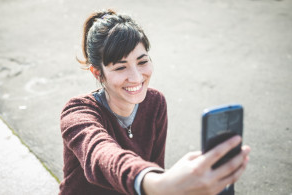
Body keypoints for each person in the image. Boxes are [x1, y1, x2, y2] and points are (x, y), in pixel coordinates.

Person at [59, 9, 250, 195]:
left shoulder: (155, 102)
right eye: (120, 67)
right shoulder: (77, 112)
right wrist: (157, 183)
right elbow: (100, 155)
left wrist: (165, 184)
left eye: (142, 62)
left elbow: (156, 165)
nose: (136, 78)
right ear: (97, 73)